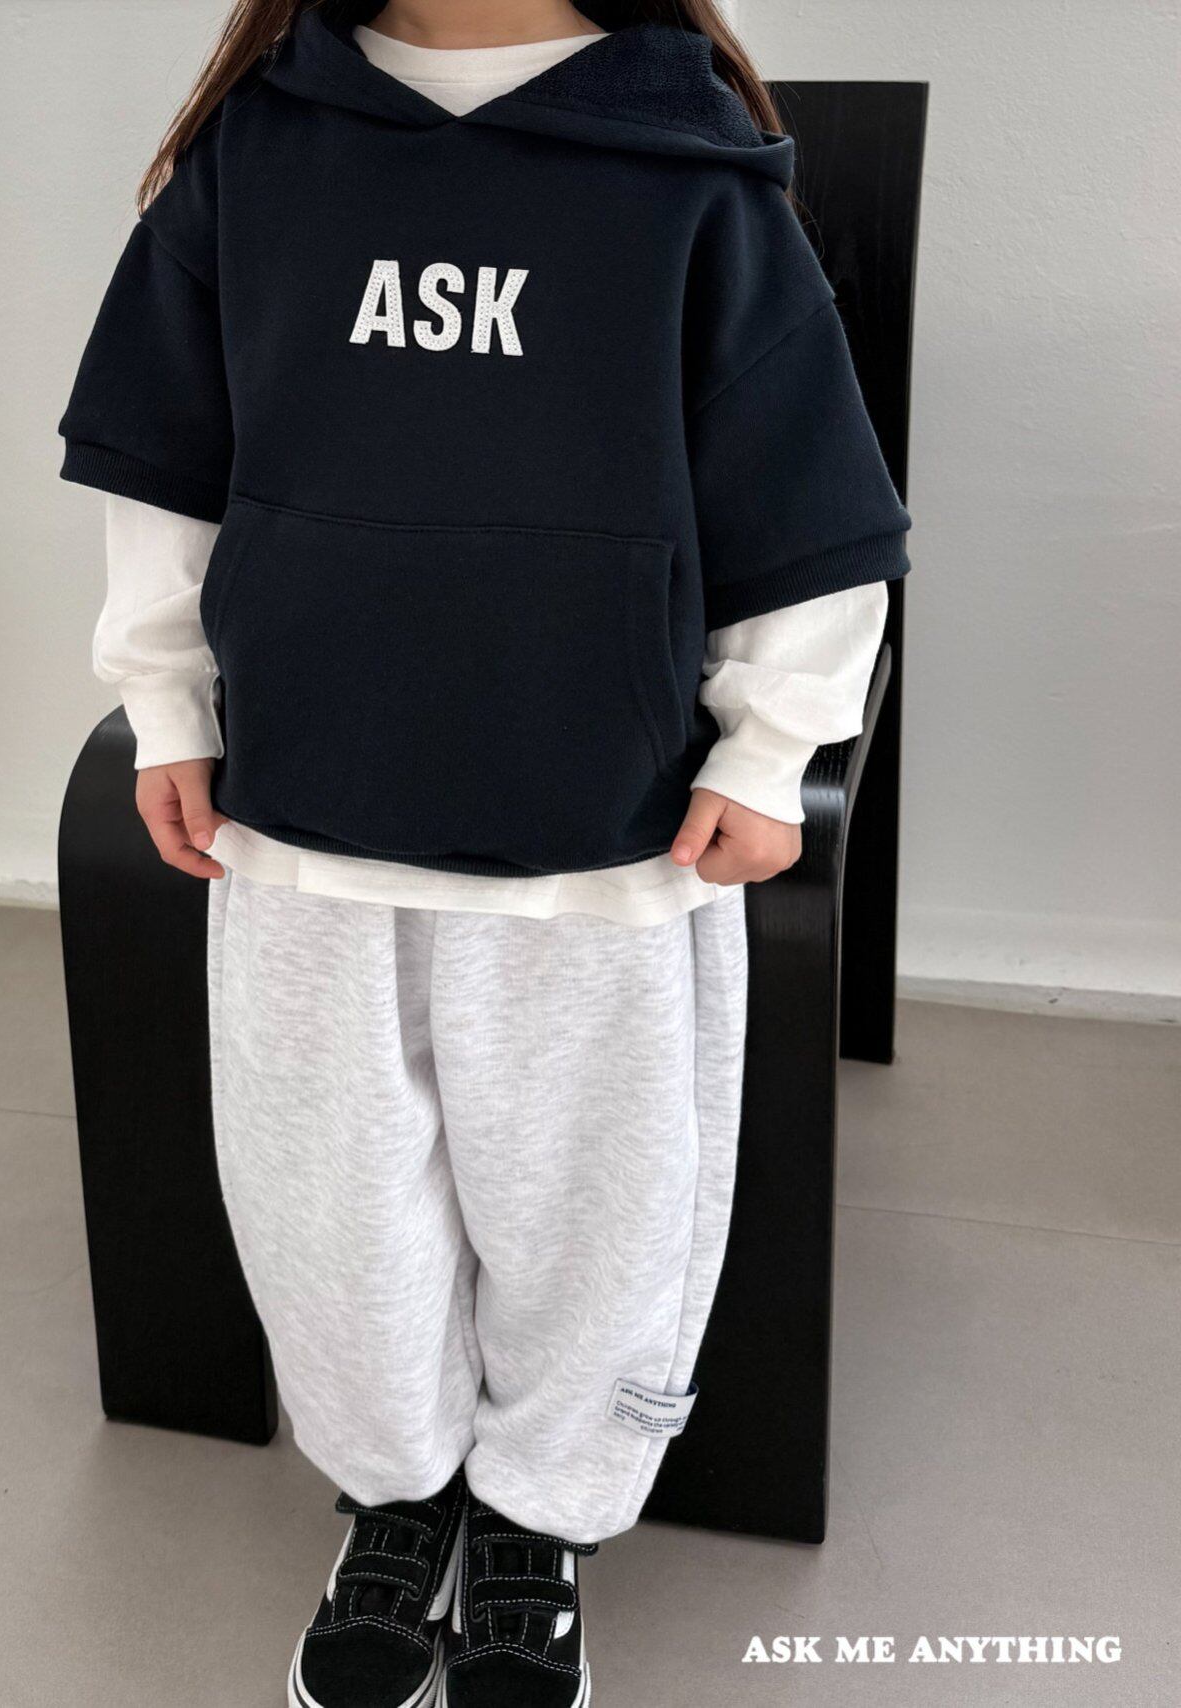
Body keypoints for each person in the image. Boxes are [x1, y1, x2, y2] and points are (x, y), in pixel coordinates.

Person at [59, 2, 912, 1703]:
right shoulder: (254, 154)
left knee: (595, 1204)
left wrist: (774, 743)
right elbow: (161, 459)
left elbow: (806, 496)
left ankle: (539, 1515)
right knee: (329, 1202)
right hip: (306, 823)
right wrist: (163, 703)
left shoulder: (692, 169)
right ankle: (396, 1493)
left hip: (600, 835)